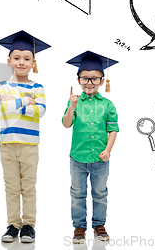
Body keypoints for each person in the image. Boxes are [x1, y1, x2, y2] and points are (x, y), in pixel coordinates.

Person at [0, 30, 51, 243]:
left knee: (28, 186)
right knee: (11, 187)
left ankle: (28, 225)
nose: (21, 62)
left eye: (26, 59)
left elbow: (42, 111)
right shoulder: (2, 85)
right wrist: (27, 101)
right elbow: (2, 108)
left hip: (29, 145)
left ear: (33, 62)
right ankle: (12, 225)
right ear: (9, 60)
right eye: (17, 58)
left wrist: (15, 102)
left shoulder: (38, 86)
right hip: (7, 144)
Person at [62, 50, 119, 244]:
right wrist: (71, 106)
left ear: (102, 81)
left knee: (100, 193)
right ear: (78, 80)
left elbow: (113, 130)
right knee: (77, 193)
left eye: (94, 79)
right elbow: (66, 124)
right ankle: (79, 227)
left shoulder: (108, 105)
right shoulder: (75, 102)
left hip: (100, 159)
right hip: (78, 158)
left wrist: (108, 150)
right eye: (85, 79)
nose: (89, 83)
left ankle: (99, 225)